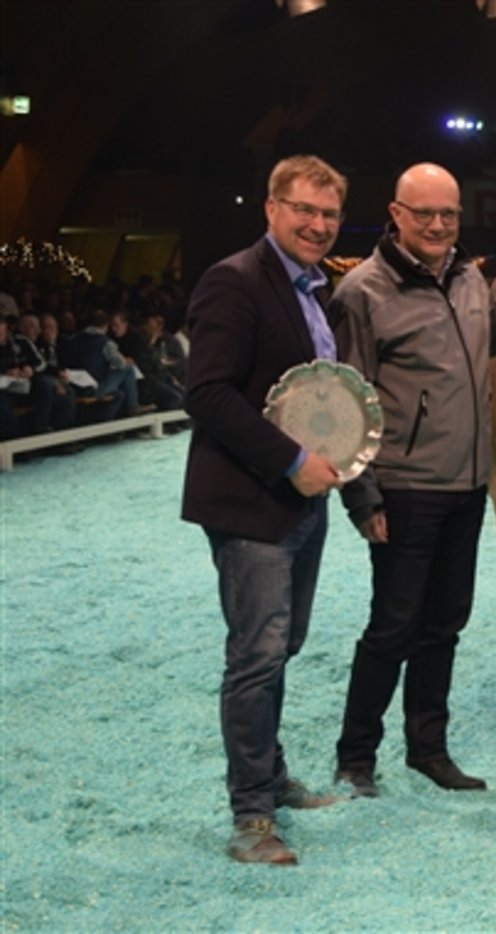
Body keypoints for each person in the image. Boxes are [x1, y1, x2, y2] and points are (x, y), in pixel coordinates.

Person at [328, 163, 496, 798]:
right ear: (396, 214)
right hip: (404, 488)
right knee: (393, 625)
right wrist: (362, 498)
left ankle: (428, 748)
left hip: (468, 486)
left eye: (449, 214)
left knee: (446, 622)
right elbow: (345, 402)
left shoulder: (471, 280)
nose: (439, 225)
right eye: (425, 214)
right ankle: (356, 756)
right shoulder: (362, 293)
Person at [180, 155, 349, 866]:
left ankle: (272, 778)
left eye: (329, 214)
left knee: (282, 646)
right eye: (303, 210)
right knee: (255, 656)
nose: (316, 224)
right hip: (252, 502)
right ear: (272, 209)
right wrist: (289, 459)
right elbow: (208, 393)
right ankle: (251, 818)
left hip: (301, 500)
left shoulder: (315, 290)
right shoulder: (235, 280)